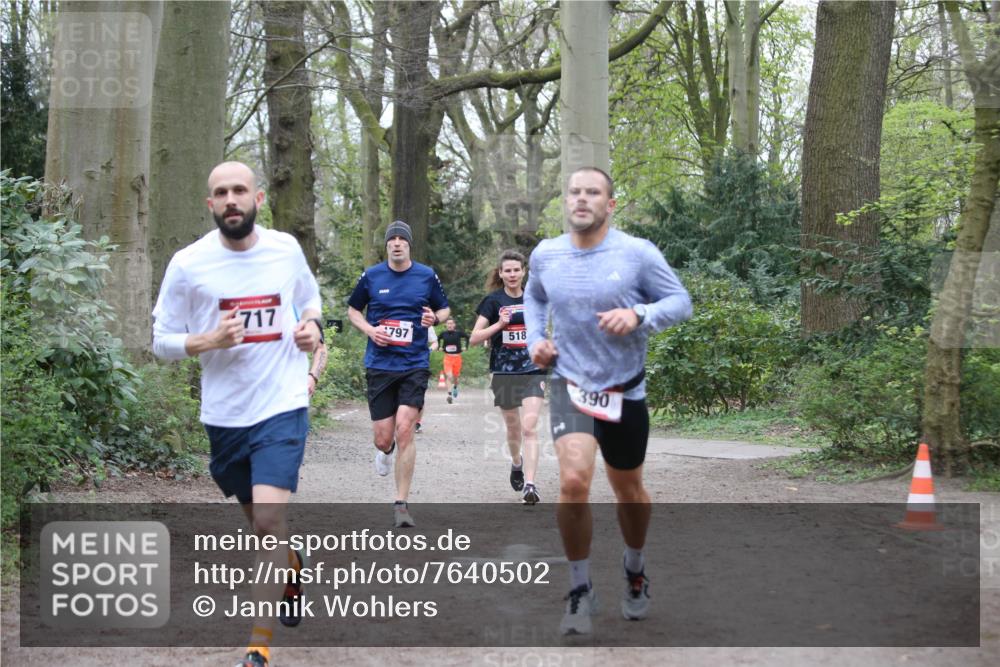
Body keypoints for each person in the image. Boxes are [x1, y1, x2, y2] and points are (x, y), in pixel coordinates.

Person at [152, 161, 324, 667]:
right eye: (221, 192)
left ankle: (258, 644)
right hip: (225, 414)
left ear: (259, 198)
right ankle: (292, 565)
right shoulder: (188, 264)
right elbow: (160, 341)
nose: (231, 199)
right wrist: (208, 339)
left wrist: (311, 329)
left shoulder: (285, 249)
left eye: (240, 190)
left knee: (270, 519)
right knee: (262, 527)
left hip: (282, 404)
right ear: (210, 204)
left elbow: (310, 302)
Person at [524, 166, 692, 635]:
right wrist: (536, 339)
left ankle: (634, 568)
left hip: (624, 390)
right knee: (574, 481)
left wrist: (639, 314)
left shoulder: (637, 254)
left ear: (610, 203)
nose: (581, 199)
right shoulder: (546, 254)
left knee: (629, 492)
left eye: (592, 192)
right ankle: (580, 589)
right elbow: (534, 300)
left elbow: (680, 301)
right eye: (574, 192)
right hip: (569, 384)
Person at [347, 220, 449, 528]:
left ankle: (401, 504)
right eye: (391, 239)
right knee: (383, 438)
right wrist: (369, 329)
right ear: (386, 246)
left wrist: (435, 317)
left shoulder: (426, 275)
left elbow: (443, 310)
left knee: (406, 428)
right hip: (380, 364)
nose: (396, 243)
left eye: (401, 239)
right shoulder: (372, 276)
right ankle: (385, 451)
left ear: (409, 244)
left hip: (414, 363)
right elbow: (353, 310)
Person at [470, 250, 545, 505]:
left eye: (516, 270)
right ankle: (517, 463)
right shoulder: (492, 301)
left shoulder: (535, 298)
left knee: (529, 427)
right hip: (504, 371)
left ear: (524, 271)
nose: (512, 274)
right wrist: (499, 326)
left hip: (534, 369)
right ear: (500, 274)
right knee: (514, 428)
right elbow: (474, 338)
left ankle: (531, 485)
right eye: (507, 270)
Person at [439, 317, 469, 403]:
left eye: (451, 323)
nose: (449, 325)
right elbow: (438, 339)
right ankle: (449, 395)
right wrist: (439, 347)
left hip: (457, 358)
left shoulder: (458, 333)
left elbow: (467, 337)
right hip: (447, 358)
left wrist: (465, 347)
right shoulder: (443, 334)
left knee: (455, 378)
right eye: (448, 323)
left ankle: (455, 387)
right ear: (446, 325)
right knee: (449, 376)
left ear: (454, 325)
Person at [415, 325, 438, 434]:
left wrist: (428, 350)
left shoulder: (426, 320)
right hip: (395, 363)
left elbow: (435, 343)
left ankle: (417, 423)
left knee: (418, 395)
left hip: (418, 364)